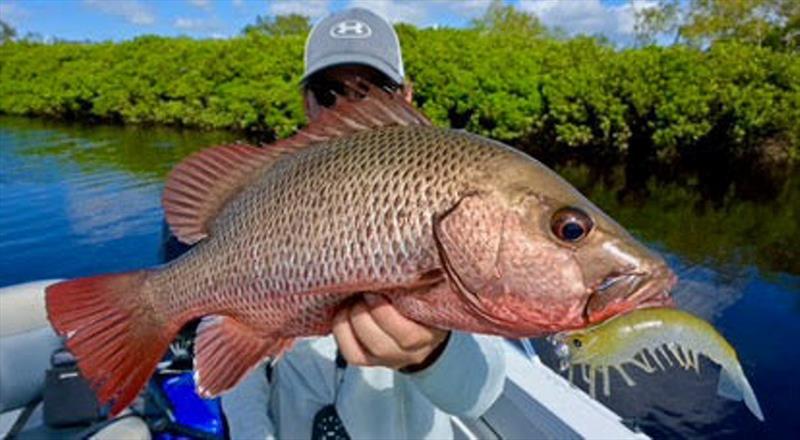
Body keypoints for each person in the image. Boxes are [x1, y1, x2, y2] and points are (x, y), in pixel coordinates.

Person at [220, 8, 506, 440]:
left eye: (374, 90)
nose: (350, 108)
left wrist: (432, 352)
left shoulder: (456, 184)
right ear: (307, 102)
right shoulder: (265, 193)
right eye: (329, 92)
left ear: (406, 95)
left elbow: (479, 395)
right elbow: (235, 359)